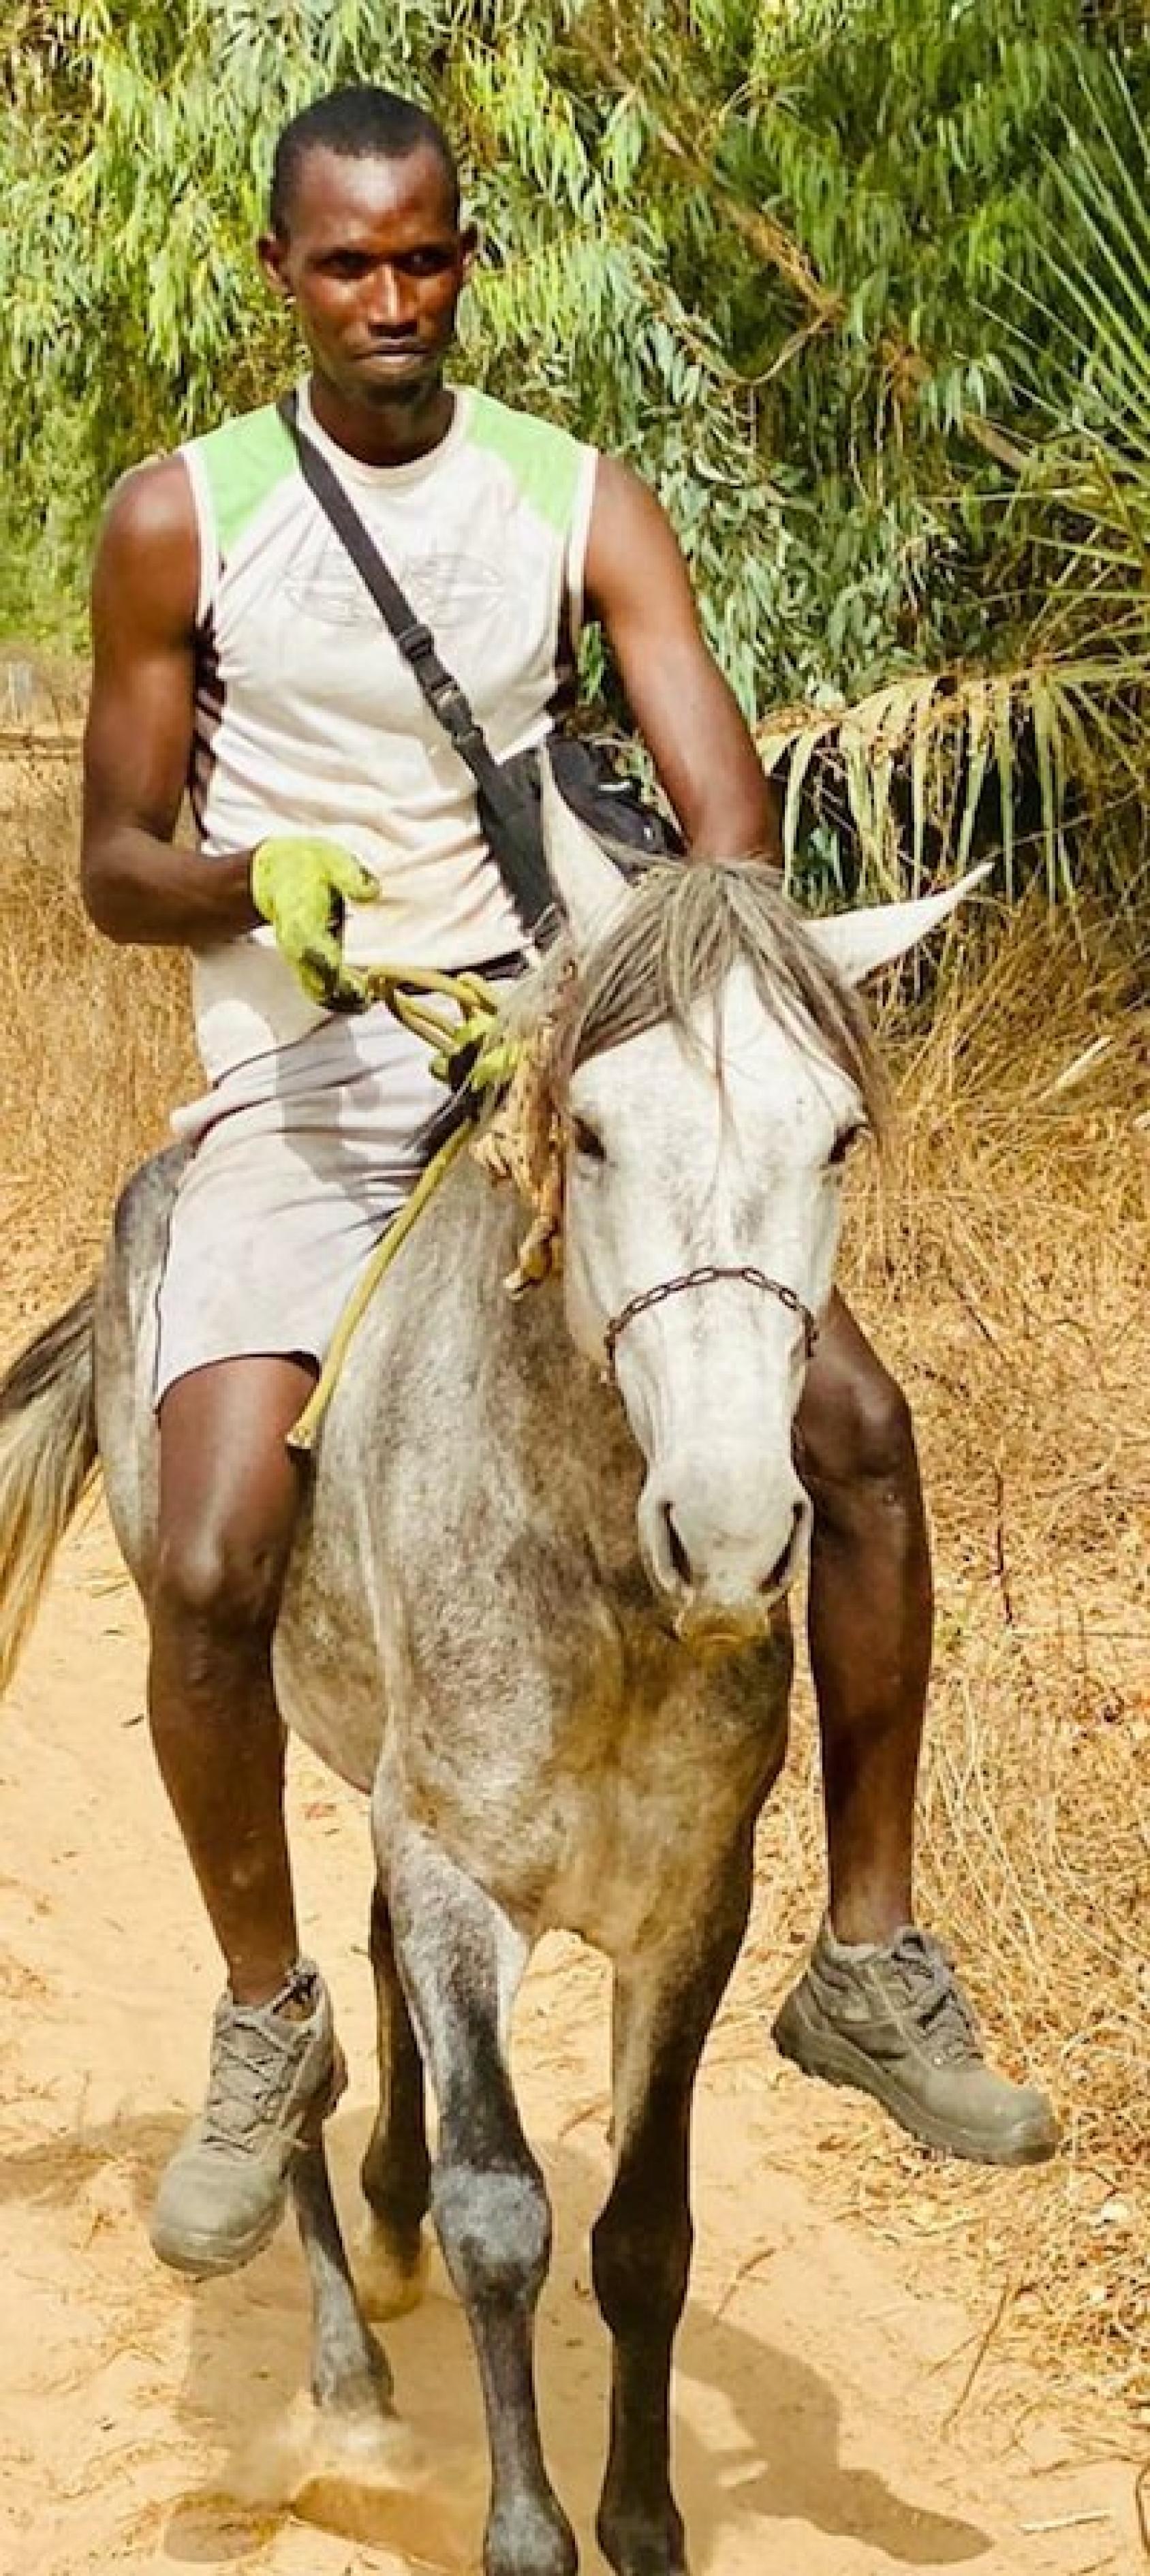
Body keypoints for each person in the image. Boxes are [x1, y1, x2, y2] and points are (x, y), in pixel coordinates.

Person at [80, 85, 1057, 2277]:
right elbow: (109, 870)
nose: (393, 301)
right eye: (348, 264)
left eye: (426, 257)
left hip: (563, 1071)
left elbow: (722, 836)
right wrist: (261, 878)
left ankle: (873, 1956)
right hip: (308, 1090)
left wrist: (639, 997)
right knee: (220, 1549)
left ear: (465, 258)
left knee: (865, 1438)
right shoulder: (185, 517)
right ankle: (266, 2025)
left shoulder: (577, 504)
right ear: (282, 276)